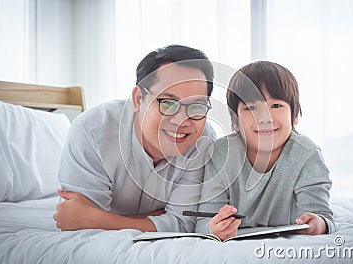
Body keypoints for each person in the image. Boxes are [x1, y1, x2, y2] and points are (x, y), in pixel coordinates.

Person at [54, 45, 216, 232]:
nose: (181, 120)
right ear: (139, 99)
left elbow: (184, 223)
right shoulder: (92, 130)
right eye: (168, 103)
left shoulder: (204, 139)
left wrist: (101, 219)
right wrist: (160, 216)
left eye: (196, 105)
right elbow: (77, 221)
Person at [195, 61, 335, 240]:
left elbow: (322, 215)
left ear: (294, 116)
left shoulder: (306, 154)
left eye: (276, 106)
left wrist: (317, 223)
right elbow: (203, 221)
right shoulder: (221, 154)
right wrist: (214, 228)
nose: (265, 117)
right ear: (235, 121)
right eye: (251, 108)